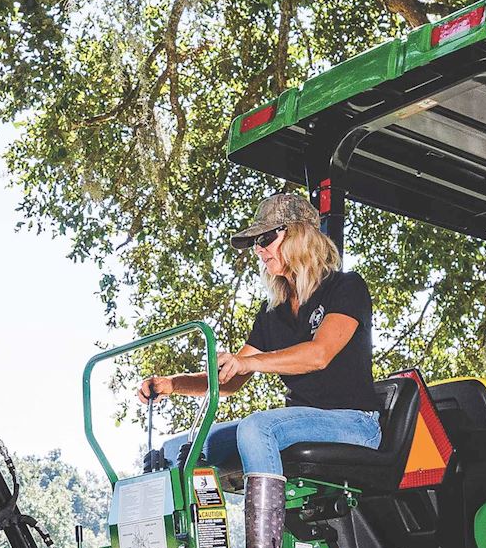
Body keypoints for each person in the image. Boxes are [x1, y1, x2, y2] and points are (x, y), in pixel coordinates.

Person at [137, 191, 379, 477]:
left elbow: (319, 354)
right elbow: (229, 381)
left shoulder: (346, 287)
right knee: (182, 448)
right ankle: (189, 523)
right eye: (255, 243)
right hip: (299, 421)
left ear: (299, 235)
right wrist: (172, 384)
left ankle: (264, 523)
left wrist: (250, 362)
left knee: (257, 427)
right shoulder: (272, 311)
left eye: (265, 239)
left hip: (353, 422)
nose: (258, 250)